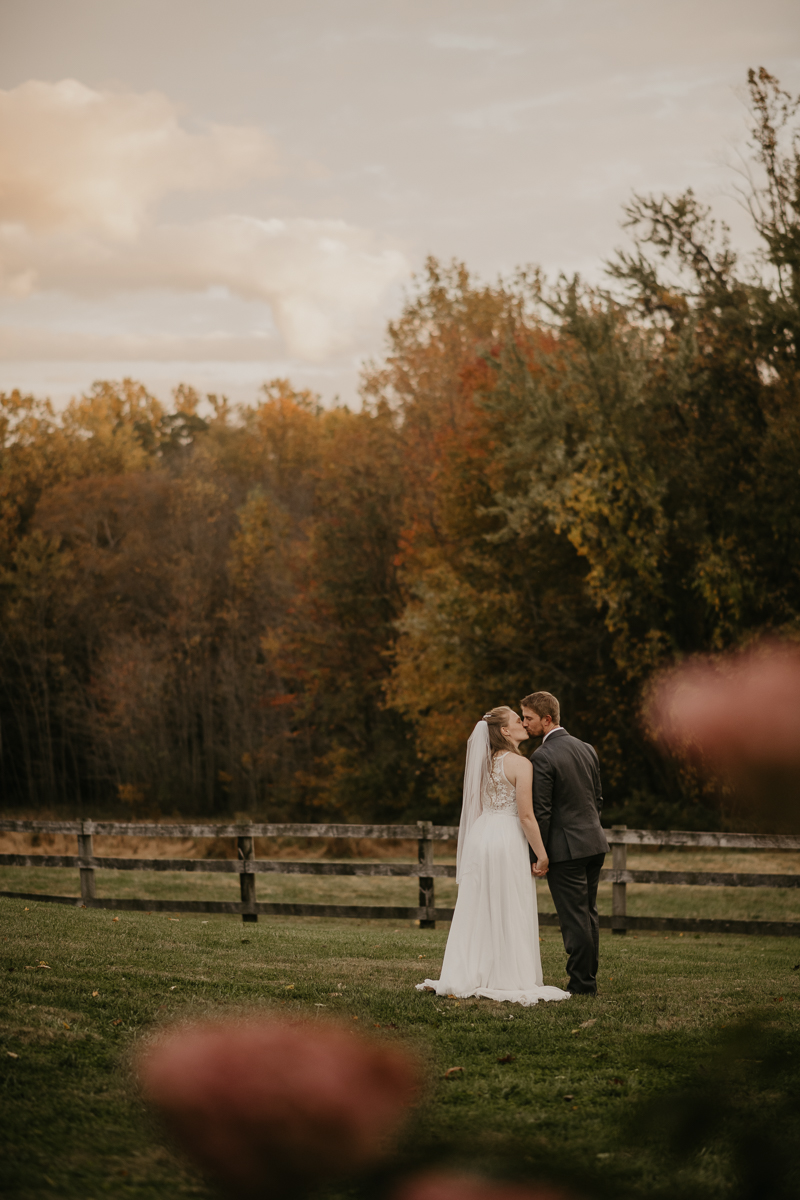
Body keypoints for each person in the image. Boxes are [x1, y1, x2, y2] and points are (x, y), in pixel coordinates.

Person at [417, 707, 570, 1006]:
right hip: (506, 839)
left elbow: (476, 806)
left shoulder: (484, 763)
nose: (523, 724)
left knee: (478, 906)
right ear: (504, 731)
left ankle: (469, 971)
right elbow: (526, 816)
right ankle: (507, 976)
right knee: (508, 903)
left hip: (482, 834)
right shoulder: (520, 764)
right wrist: (542, 855)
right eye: (517, 720)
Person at [521, 691, 609, 996]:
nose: (524, 723)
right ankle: (587, 980)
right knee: (588, 914)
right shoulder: (587, 748)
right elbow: (597, 799)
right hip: (594, 843)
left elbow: (541, 812)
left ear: (547, 720)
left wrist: (538, 854)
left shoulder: (542, 756)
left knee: (575, 919)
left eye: (529, 718)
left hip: (566, 850)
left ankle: (582, 985)